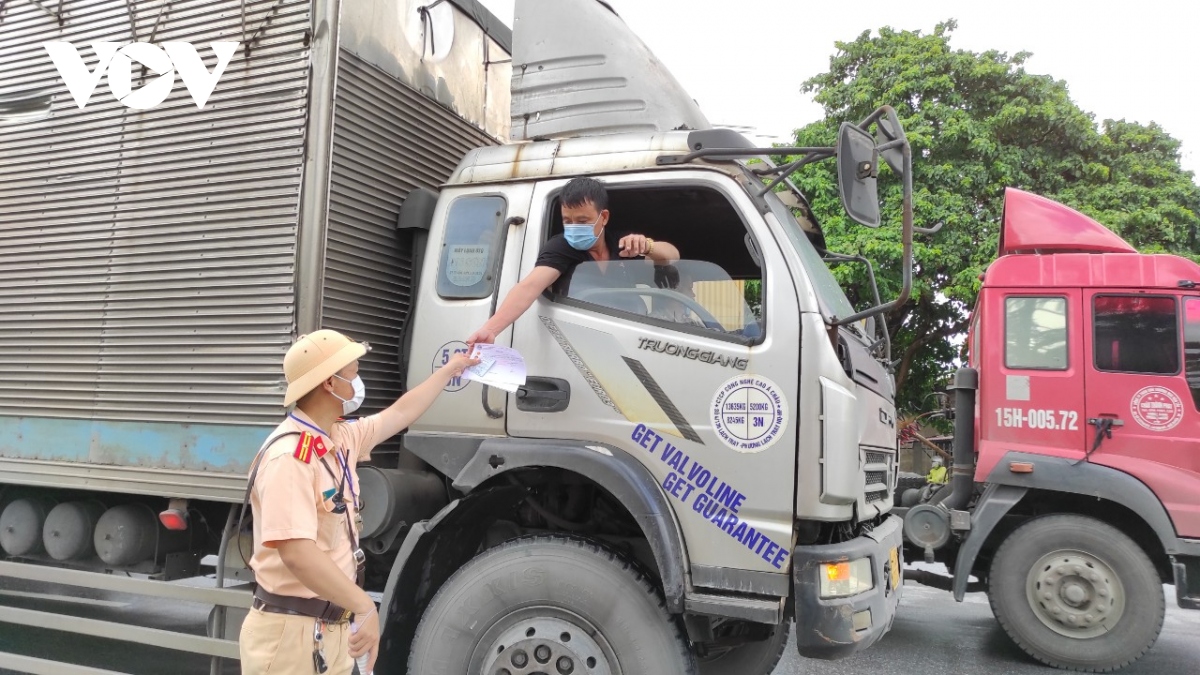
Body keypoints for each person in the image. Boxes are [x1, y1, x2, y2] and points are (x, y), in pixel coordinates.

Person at [239, 329, 476, 674]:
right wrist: (364, 605)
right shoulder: (288, 457)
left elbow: (400, 413)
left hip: (329, 628)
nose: (358, 381)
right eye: (352, 373)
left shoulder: (338, 437)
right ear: (329, 384)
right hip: (290, 633)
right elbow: (296, 551)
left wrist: (448, 370)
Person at [466, 177, 680, 346]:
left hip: (631, 335)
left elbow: (673, 256)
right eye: (567, 221)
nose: (574, 227)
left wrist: (648, 246)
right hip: (581, 340)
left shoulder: (623, 244)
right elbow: (529, 287)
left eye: (583, 221)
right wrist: (491, 330)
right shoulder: (561, 247)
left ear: (603, 217)